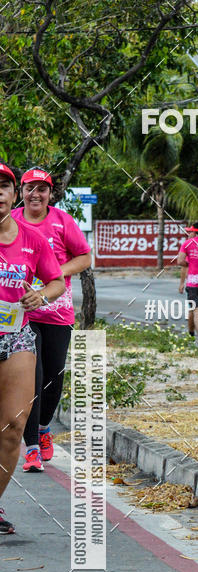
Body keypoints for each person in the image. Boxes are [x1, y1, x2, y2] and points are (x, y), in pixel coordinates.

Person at [12, 168, 91, 473]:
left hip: (58, 311)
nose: (35, 195)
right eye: (30, 188)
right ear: (21, 191)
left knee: (53, 377)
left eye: (42, 189)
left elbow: (85, 256)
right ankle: (31, 447)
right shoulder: (12, 221)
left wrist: (56, 269)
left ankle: (44, 428)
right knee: (32, 376)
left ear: (50, 194)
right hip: (21, 313)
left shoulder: (61, 220)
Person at [0, 163, 65, 533]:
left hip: (16, 337)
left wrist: (40, 295)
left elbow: (55, 280)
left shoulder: (33, 240)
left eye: (4, 186)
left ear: (13, 195)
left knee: (11, 425)